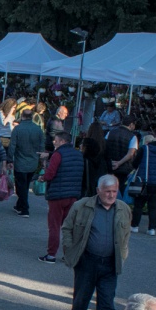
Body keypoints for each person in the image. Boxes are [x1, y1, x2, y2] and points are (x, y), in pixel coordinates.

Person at [63, 175, 133, 310]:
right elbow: (67, 228)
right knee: (82, 297)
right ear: (98, 191)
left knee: (107, 302)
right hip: (87, 260)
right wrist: (70, 249)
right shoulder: (82, 206)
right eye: (107, 191)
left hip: (110, 264)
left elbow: (125, 237)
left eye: (114, 191)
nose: (111, 195)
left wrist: (122, 256)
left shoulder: (123, 209)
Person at [41, 130, 85, 264]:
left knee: (54, 225)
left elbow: (50, 174)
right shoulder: (79, 155)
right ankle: (68, 254)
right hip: (73, 194)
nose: (54, 142)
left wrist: (42, 177)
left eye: (56, 140)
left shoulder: (57, 154)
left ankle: (51, 254)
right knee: (68, 226)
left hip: (57, 194)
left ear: (62, 141)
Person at [128, 133, 156, 236]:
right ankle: (152, 229)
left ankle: (135, 226)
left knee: (139, 205)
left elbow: (135, 163)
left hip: (144, 181)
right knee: (153, 206)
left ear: (146, 142)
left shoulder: (144, 149)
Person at [10, 107, 44, 218]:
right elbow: (41, 146)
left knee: (21, 185)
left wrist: (9, 159)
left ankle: (24, 208)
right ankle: (19, 205)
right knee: (25, 184)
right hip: (33, 161)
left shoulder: (17, 129)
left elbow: (12, 146)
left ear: (22, 116)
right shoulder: (38, 129)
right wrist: (41, 159)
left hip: (20, 161)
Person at [104, 113, 139, 182]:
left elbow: (104, 147)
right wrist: (119, 163)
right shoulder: (133, 137)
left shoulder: (110, 132)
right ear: (131, 124)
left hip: (108, 166)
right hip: (124, 169)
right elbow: (130, 154)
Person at [79, 121, 109, 197]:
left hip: (87, 172)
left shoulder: (87, 142)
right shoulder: (104, 143)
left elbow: (83, 156)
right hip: (101, 171)